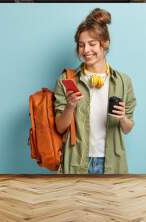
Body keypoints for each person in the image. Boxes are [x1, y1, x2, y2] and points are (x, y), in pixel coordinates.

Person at [54, 8, 136, 174]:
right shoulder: (67, 79)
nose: (86, 50)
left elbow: (127, 129)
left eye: (92, 44)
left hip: (112, 162)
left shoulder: (122, 81)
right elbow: (60, 128)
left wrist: (122, 118)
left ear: (104, 44)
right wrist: (70, 106)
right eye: (81, 45)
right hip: (76, 161)